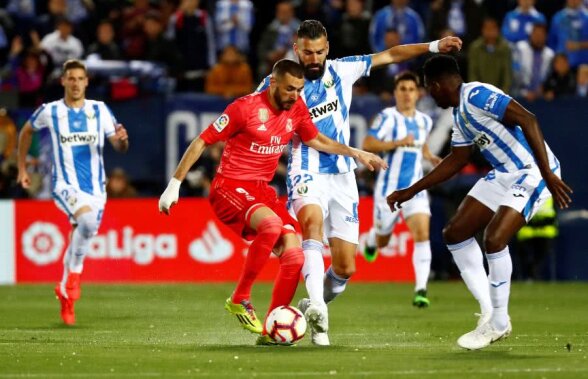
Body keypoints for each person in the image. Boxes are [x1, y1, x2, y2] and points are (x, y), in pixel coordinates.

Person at [257, 19, 462, 345]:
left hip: (343, 175)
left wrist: (435, 46)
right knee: (311, 225)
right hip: (306, 167)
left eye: (319, 52)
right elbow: (248, 111)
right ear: (296, 49)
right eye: (307, 52)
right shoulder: (277, 82)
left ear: (328, 50)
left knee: (345, 267)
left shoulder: (343, 70)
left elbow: (392, 54)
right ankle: (320, 322)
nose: (313, 58)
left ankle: (314, 303)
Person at [158, 59, 385, 345]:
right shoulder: (245, 108)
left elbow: (317, 140)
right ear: (274, 82)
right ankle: (240, 297)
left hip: (260, 192)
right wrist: (175, 184)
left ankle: (271, 328)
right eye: (290, 89)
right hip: (230, 188)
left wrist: (354, 152)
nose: (295, 95)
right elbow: (202, 141)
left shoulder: (297, 108)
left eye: (300, 89)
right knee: (272, 224)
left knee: (295, 253)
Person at [387, 54, 572, 350]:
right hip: (503, 175)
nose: (428, 95)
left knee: (495, 238)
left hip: (531, 172)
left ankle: (499, 323)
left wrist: (547, 173)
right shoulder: (460, 114)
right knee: (455, 232)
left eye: (428, 89)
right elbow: (456, 160)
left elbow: (528, 118)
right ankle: (490, 310)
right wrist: (411, 190)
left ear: (436, 85)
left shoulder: (476, 95)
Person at [17, 59, 129, 325]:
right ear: (63, 81)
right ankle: (75, 277)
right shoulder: (51, 111)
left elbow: (119, 145)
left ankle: (66, 290)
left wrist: (123, 141)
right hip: (65, 185)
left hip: (96, 190)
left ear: (87, 81)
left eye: (80, 78)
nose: (76, 83)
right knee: (87, 222)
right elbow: (26, 131)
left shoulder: (100, 110)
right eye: (71, 78)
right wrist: (22, 168)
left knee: (84, 232)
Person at [362, 71, 442, 307]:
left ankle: (420, 289)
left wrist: (429, 156)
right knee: (383, 241)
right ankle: (370, 242)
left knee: (422, 234)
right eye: (402, 89)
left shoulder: (424, 121)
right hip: (388, 192)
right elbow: (368, 143)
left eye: (411, 89)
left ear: (418, 94)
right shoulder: (387, 117)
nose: (407, 94)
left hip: (415, 190)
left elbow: (421, 144)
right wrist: (396, 143)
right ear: (396, 93)